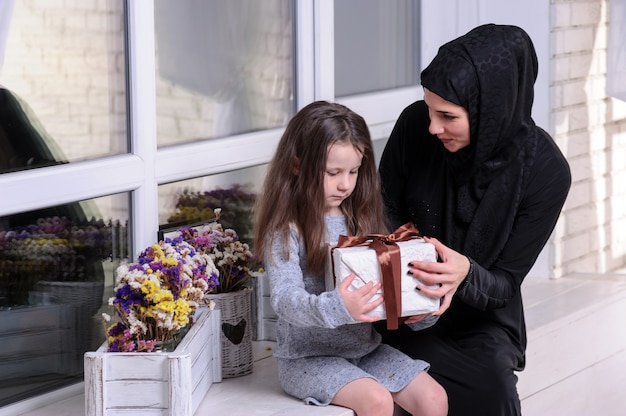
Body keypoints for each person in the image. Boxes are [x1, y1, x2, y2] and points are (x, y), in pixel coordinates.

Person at [377, 24, 571, 416]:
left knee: (493, 392)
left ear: (491, 110)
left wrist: (464, 273)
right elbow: (382, 209)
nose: (433, 126)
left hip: (481, 324)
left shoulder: (546, 173)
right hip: (402, 307)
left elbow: (504, 284)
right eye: (430, 109)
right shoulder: (415, 125)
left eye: (447, 116)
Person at [253, 100, 448, 416]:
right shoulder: (287, 229)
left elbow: (389, 291)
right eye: (333, 172)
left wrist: (423, 304)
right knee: (376, 401)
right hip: (308, 359)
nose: (345, 184)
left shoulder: (362, 219)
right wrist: (338, 306)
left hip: (365, 350)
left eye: (354, 171)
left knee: (434, 399)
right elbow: (285, 299)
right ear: (297, 165)